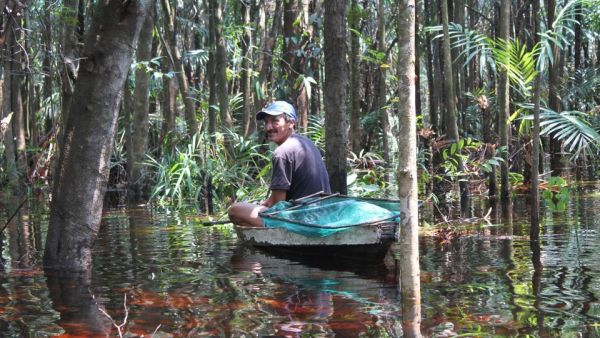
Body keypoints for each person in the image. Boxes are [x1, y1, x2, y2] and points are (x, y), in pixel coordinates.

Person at [228, 100, 331, 227]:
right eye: (266, 122)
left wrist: (267, 204)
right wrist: (266, 203)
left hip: (303, 219)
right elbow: (279, 197)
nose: (268, 127)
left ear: (291, 123)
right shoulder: (306, 143)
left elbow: (279, 205)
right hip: (322, 214)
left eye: (275, 121)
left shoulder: (282, 152)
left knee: (235, 210)